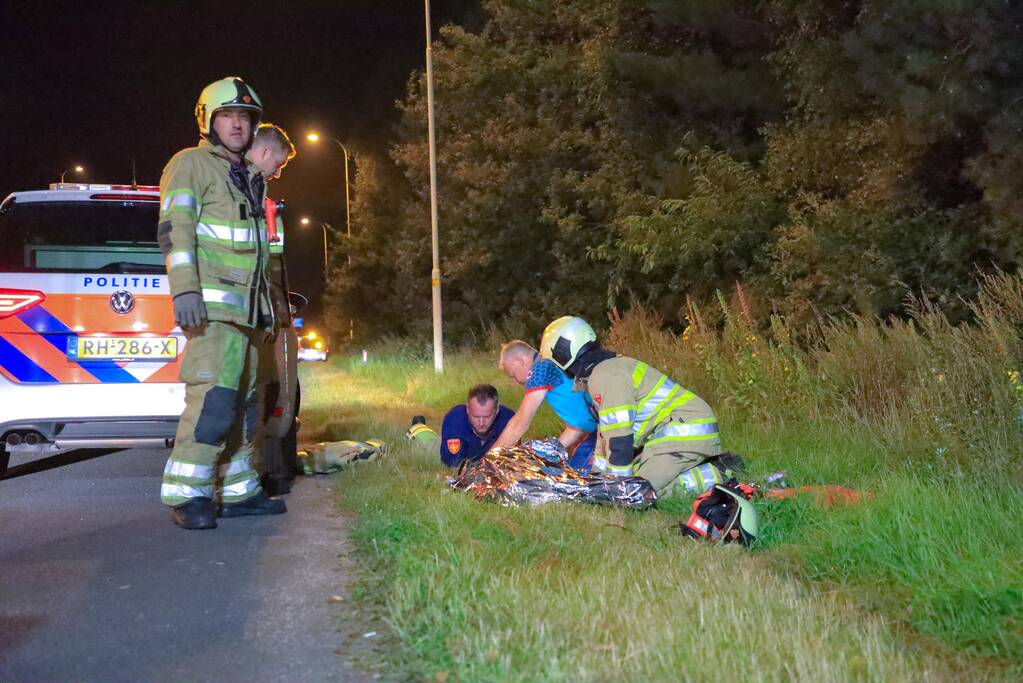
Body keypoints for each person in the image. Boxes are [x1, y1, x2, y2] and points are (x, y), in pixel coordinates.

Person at [158, 76, 286, 529]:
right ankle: (188, 495)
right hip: (213, 314)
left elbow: (258, 254)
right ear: (208, 121)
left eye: (245, 117)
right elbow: (176, 230)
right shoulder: (190, 164)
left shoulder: (250, 178)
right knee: (214, 402)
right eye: (228, 115)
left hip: (247, 318)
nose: (237, 124)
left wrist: (268, 310)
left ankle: (237, 490)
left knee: (246, 408)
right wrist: (185, 289)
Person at [539, 316, 724, 497]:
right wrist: (596, 477)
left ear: (563, 354)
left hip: (684, 432)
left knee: (638, 493)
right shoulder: (603, 371)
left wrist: (616, 488)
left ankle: (717, 473)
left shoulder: (606, 376)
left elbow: (620, 439)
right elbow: (607, 433)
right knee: (631, 482)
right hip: (677, 431)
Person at [492, 340, 597, 471]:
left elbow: (520, 423)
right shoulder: (549, 365)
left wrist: (490, 460)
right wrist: (547, 455)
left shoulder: (540, 369)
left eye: (513, 375)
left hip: (613, 426)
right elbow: (577, 428)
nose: (516, 381)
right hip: (600, 429)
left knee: (586, 481)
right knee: (573, 472)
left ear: (520, 361)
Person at [439, 384, 514, 467]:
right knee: (428, 445)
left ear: (497, 411)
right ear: (467, 410)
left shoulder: (510, 422)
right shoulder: (454, 420)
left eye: (487, 416)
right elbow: (452, 464)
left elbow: (511, 463)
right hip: (438, 449)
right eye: (475, 416)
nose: (481, 423)